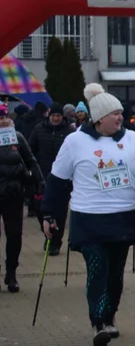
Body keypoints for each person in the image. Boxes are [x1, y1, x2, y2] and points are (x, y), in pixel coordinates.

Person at [41, 84, 135, 346]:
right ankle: (98, 322)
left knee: (115, 274)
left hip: (123, 218)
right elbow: (57, 181)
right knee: (97, 268)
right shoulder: (74, 141)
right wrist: (50, 215)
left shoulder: (133, 139)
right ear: (98, 118)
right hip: (89, 218)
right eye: (114, 114)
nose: (120, 118)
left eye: (120, 113)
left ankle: (109, 316)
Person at [0, 102, 45, 292]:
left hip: (13, 193)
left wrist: (40, 182)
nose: (1, 121)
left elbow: (31, 160)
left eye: (3, 117)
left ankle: (11, 273)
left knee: (14, 234)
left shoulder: (16, 137)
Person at [29, 104, 72, 255]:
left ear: (62, 117)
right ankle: (47, 233)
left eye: (58, 116)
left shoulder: (69, 132)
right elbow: (30, 149)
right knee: (42, 209)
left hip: (63, 178)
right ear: (49, 116)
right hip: (42, 176)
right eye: (53, 116)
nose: (55, 119)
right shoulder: (39, 129)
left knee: (60, 212)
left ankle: (55, 242)